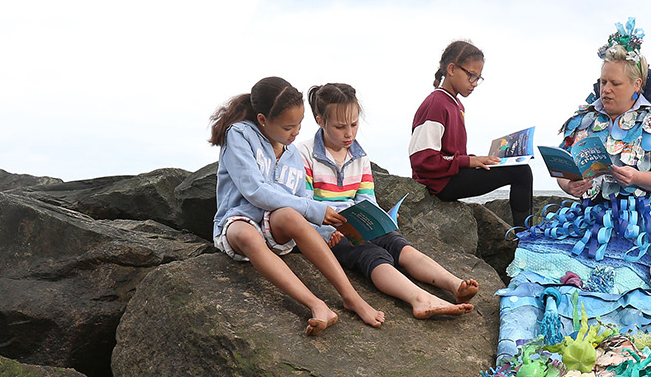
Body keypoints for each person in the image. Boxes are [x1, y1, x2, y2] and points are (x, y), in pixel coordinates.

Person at [497, 19, 651, 377]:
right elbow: (564, 173)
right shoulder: (585, 118)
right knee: (538, 272)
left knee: (645, 287)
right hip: (588, 217)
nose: (606, 89)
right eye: (602, 82)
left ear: (636, 85)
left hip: (641, 222)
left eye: (615, 83)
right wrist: (571, 185)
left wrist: (637, 178)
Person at [210, 76, 385, 335]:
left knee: (292, 216)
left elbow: (302, 198)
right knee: (247, 234)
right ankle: (317, 305)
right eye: (288, 126)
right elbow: (255, 191)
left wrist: (327, 230)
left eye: (300, 124)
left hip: (275, 225)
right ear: (263, 120)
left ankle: (352, 298)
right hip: (239, 218)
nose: (296, 132)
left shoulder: (291, 152)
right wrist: (313, 210)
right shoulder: (239, 135)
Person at [302, 82, 478, 319]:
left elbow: (366, 198)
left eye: (354, 124)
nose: (349, 133)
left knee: (399, 245)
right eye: (340, 127)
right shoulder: (305, 154)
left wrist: (378, 219)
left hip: (357, 222)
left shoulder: (359, 156)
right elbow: (303, 203)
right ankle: (420, 300)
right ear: (320, 121)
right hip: (330, 232)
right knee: (372, 255)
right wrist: (326, 230)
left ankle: (454, 284)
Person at [409, 40, 534, 229]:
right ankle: (524, 234)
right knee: (521, 172)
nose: (474, 83)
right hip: (439, 183)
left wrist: (476, 160)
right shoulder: (436, 104)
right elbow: (422, 160)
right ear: (452, 69)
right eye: (471, 76)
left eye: (478, 78)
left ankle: (525, 232)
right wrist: (468, 161)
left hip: (450, 174)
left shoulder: (456, 104)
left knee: (517, 165)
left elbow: (451, 155)